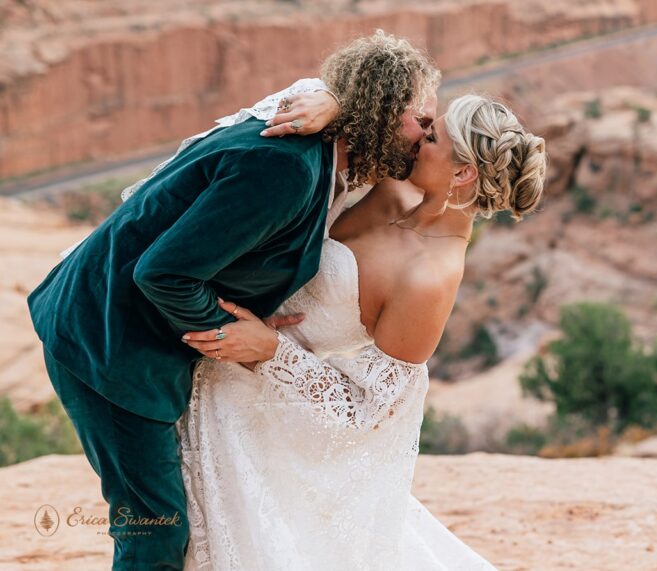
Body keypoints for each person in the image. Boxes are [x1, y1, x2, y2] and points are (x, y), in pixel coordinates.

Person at [27, 30, 440, 570]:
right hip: (108, 343)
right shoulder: (286, 168)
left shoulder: (315, 139)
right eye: (421, 119)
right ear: (381, 110)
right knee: (155, 529)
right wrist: (229, 339)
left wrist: (339, 100)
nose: (425, 134)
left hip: (114, 324)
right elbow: (164, 273)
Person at [177, 95, 547, 569]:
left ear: (462, 175)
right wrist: (334, 102)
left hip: (250, 410)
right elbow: (376, 106)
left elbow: (370, 410)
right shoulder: (392, 181)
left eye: (432, 137)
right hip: (199, 349)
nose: (418, 135)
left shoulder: (429, 278)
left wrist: (271, 351)